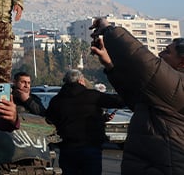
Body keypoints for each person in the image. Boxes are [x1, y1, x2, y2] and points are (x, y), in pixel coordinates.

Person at [90, 18, 184, 174]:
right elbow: (135, 99)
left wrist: (108, 30)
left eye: (167, 51)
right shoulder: (164, 93)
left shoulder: (178, 86)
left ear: (182, 62)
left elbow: (142, 61)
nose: (160, 54)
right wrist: (110, 66)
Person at [45, 69, 124, 175]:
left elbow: (51, 120)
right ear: (81, 81)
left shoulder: (57, 100)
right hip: (90, 146)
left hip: (67, 148)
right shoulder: (93, 96)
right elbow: (118, 101)